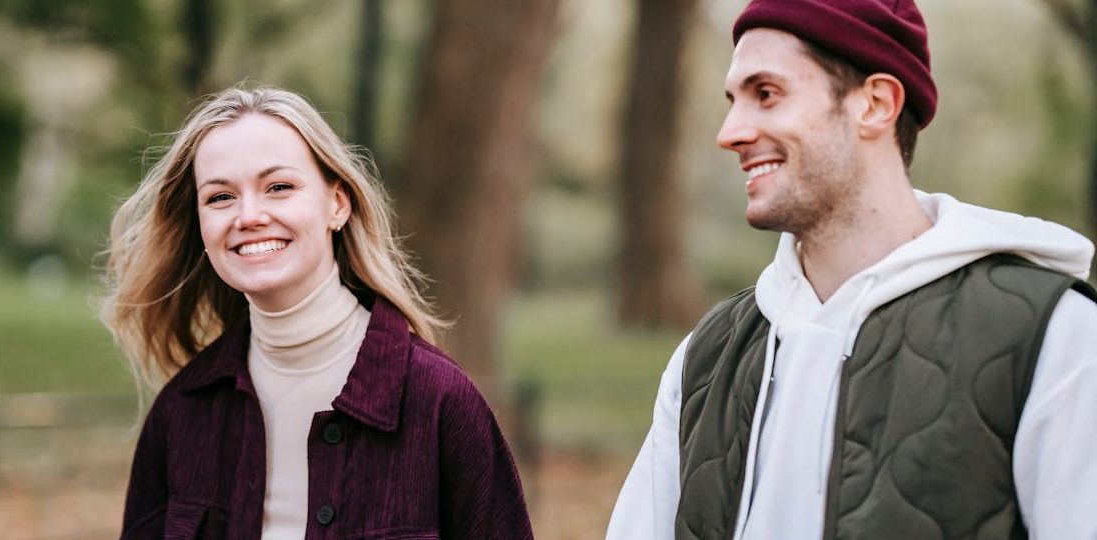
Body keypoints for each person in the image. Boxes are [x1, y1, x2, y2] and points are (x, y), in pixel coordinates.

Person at [606, 1, 1097, 539]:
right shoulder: (705, 360)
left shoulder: (1054, 339)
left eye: (765, 94)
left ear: (875, 104)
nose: (731, 132)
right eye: (734, 101)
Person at [103, 85, 534, 539]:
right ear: (201, 222)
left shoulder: (439, 401)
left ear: (337, 204)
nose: (249, 215)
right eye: (220, 197)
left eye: (279, 187)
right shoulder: (181, 412)